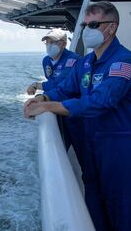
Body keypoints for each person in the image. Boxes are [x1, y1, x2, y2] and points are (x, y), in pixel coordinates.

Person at [24, 1, 131, 231]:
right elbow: (65, 88)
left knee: (124, 218)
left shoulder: (124, 62)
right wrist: (43, 98)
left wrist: (51, 107)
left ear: (111, 27)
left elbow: (102, 102)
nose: (86, 31)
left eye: (93, 24)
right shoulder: (85, 63)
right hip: (93, 149)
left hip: (123, 153)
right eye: (84, 25)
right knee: (95, 212)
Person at [26, 29, 85, 167]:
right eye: (47, 42)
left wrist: (38, 88)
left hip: (73, 112)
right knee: (60, 143)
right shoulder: (46, 61)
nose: (49, 45)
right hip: (55, 105)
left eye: (53, 42)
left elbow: (62, 84)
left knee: (82, 150)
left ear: (63, 44)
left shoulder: (73, 60)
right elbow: (53, 82)